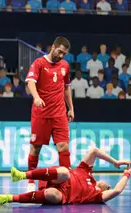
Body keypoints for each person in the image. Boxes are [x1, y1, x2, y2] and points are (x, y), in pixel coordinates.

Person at [0, 147, 131, 205]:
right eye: (107, 184)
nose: (106, 184)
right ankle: (22, 175)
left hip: (63, 194)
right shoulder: (87, 172)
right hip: (57, 177)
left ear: (103, 190)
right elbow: (94, 151)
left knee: (51, 194)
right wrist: (116, 163)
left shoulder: (96, 196)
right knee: (65, 172)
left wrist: (127, 173)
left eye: (107, 186)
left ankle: (8, 198)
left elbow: (116, 190)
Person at [25, 36, 74, 192]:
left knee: (63, 146)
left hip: (59, 114)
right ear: (53, 46)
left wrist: (71, 107)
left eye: (64, 54)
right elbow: (30, 82)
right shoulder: (39, 63)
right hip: (41, 114)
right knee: (35, 148)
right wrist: (36, 97)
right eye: (59, 52)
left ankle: (67, 184)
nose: (61, 56)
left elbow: (66, 87)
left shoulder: (65, 65)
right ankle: (31, 181)